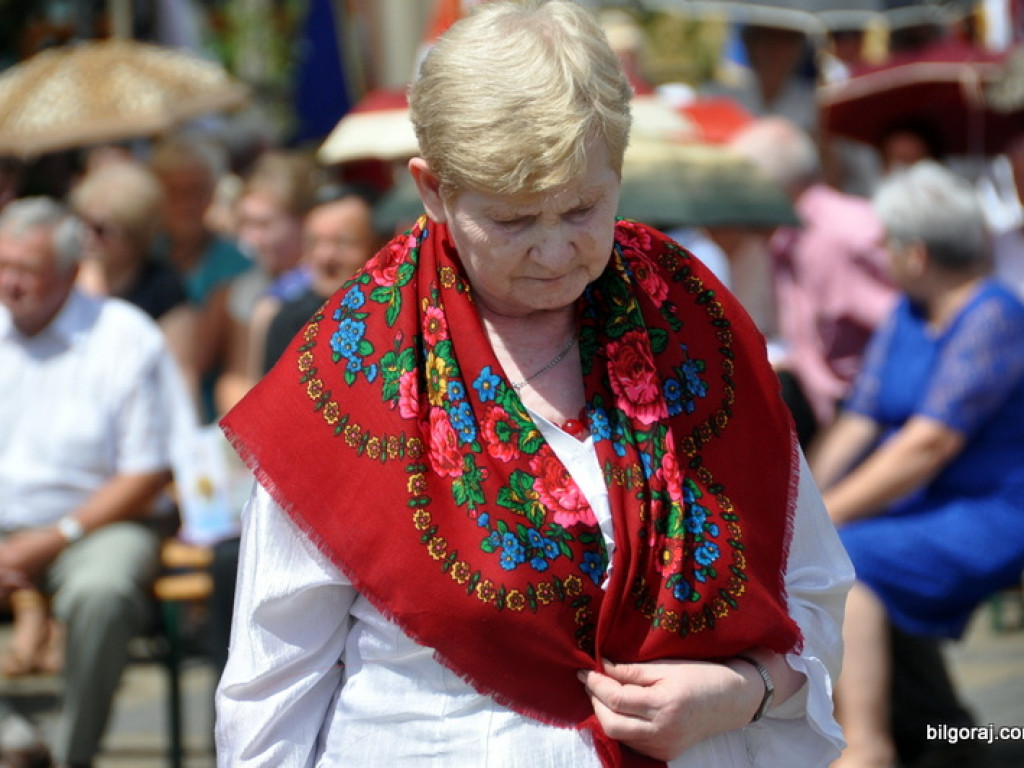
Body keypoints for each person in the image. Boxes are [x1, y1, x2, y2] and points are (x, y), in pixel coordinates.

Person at [215, 3, 853, 766]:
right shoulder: (353, 373)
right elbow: (273, 683)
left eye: (583, 208)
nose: (555, 251)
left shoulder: (691, 329)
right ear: (433, 189)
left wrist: (742, 689)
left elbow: (809, 592)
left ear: (620, 167)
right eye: (513, 221)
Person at [810, 161, 1024, 768]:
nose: (880, 252)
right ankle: (945, 736)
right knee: (828, 553)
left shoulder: (994, 316)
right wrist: (799, 503)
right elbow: (859, 419)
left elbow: (926, 446)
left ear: (918, 253)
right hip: (926, 504)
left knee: (848, 559)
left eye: (888, 242)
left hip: (997, 506)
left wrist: (821, 523)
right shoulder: (908, 313)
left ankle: (868, 747)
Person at [0, 197, 188, 768]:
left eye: (25, 271)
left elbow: (148, 469)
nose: (9, 283)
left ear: (68, 272)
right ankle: (12, 737)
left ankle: (68, 755)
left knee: (101, 592)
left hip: (98, 523)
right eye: (2, 266)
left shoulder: (122, 337)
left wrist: (52, 537)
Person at [729, 117, 898, 445]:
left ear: (763, 185)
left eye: (737, 185)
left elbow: (905, 326)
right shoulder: (792, 237)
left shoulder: (835, 234)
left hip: (874, 426)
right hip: (843, 423)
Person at [212, 150, 317, 414]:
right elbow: (240, 372)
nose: (249, 238)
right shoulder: (248, 286)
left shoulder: (323, 283)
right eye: (245, 223)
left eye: (263, 224)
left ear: (302, 222)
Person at [261, 183, 377, 372]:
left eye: (343, 242)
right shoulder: (290, 323)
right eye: (315, 242)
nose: (325, 257)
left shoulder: (402, 318)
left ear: (378, 244)